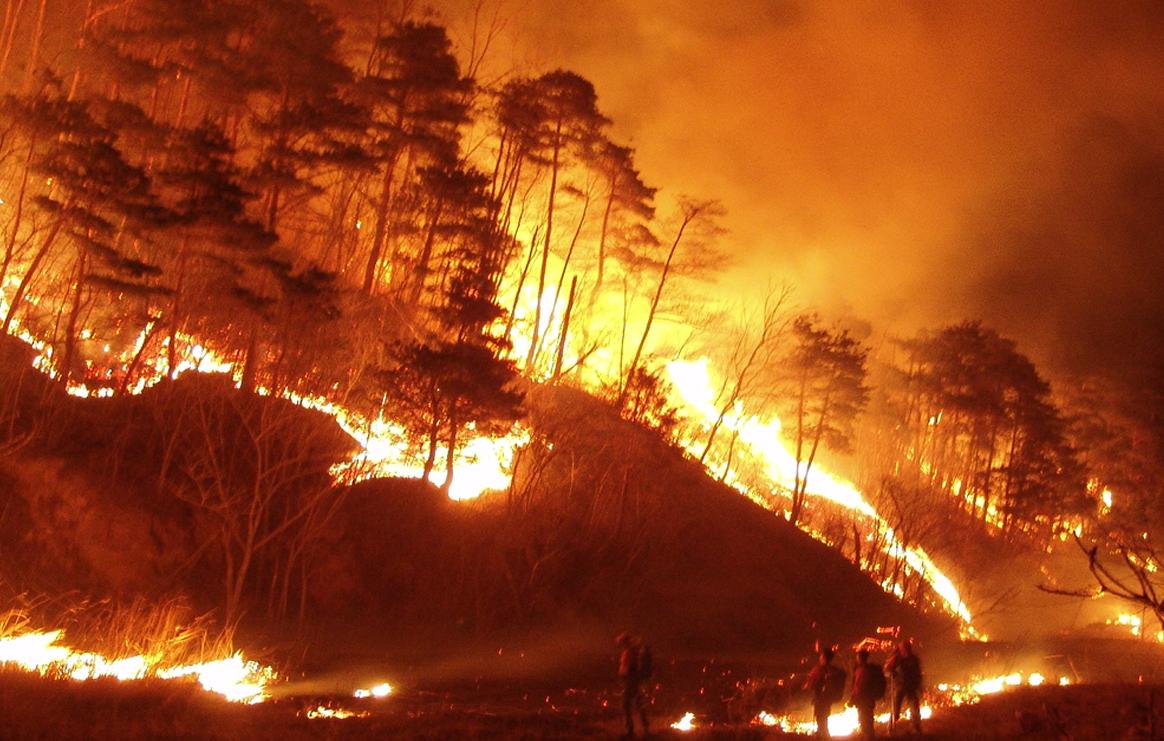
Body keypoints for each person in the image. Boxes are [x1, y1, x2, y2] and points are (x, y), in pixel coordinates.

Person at [803, 646, 845, 739]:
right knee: (824, 720)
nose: (820, 657)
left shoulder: (819, 669)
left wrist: (807, 686)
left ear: (823, 657)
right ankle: (824, 737)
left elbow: (810, 684)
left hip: (820, 699)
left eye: (821, 655)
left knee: (821, 721)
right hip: (828, 699)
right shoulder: (834, 670)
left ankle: (824, 738)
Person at [885, 639, 923, 734]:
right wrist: (890, 673)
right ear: (901, 649)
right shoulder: (896, 658)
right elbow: (886, 670)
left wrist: (919, 684)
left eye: (907, 648)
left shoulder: (913, 659)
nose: (906, 650)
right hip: (900, 686)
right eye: (904, 648)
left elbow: (918, 672)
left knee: (914, 708)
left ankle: (916, 727)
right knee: (896, 709)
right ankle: (891, 727)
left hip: (911, 686)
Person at [616, 632, 650, 738]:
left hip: (631, 681)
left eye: (621, 642)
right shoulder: (631, 651)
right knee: (638, 704)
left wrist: (627, 678)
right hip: (632, 681)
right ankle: (645, 728)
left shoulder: (631, 652)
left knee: (626, 705)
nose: (620, 644)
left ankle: (630, 730)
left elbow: (631, 667)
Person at [850, 648, 886, 740]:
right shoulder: (869, 669)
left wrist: (852, 699)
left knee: (864, 719)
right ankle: (869, 736)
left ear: (859, 657)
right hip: (869, 698)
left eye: (857, 656)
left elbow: (858, 686)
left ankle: (868, 737)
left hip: (863, 699)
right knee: (867, 718)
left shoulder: (862, 670)